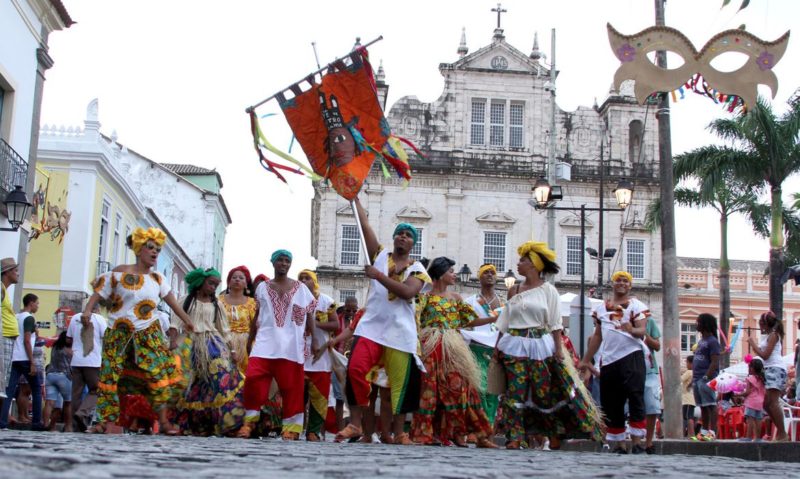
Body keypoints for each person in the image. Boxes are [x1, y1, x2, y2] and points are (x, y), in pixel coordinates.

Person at [80, 227, 195, 435]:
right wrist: (88, 310)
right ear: (139, 249)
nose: (155, 252)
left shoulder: (158, 279)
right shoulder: (118, 273)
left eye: (158, 249)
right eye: (150, 247)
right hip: (117, 332)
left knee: (157, 373)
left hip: (147, 334)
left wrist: (188, 321)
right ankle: (103, 422)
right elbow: (99, 292)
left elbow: (173, 304)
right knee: (109, 377)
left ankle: (164, 422)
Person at [335, 197, 430, 445]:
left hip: (400, 333)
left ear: (413, 243)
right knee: (355, 369)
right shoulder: (379, 254)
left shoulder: (418, 269)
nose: (403, 237)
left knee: (399, 385)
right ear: (394, 237)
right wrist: (354, 197)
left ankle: (400, 433)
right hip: (371, 328)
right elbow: (364, 225)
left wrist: (378, 276)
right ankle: (355, 424)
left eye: (408, 235)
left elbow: (407, 292)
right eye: (399, 233)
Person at [497, 242, 602, 450]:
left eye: (523, 260)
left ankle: (554, 432)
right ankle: (514, 437)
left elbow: (555, 322)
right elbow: (505, 320)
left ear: (534, 265)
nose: (518, 264)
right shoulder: (514, 290)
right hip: (514, 345)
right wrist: (496, 347)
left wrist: (558, 349)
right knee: (514, 391)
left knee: (543, 393)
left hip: (541, 346)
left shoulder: (548, 290)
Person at [411, 257, 497, 448]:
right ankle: (427, 434)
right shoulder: (424, 297)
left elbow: (469, 320)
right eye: (451, 271)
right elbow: (415, 320)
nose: (454, 275)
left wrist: (493, 319)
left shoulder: (456, 298)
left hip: (453, 348)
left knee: (460, 388)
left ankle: (460, 433)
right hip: (431, 347)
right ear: (440, 274)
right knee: (429, 390)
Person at [237, 250, 317, 440]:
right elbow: (258, 314)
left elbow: (309, 314)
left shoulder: (301, 288)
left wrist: (315, 339)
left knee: (292, 387)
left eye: (287, 261)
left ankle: (291, 428)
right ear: (273, 263)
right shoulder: (262, 287)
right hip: (265, 343)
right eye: (280, 260)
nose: (283, 263)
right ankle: (249, 423)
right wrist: (250, 338)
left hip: (291, 345)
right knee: (253, 380)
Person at [170, 267, 246, 436]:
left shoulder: (216, 304)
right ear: (201, 282)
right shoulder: (186, 300)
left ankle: (227, 422)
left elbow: (224, 329)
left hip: (213, 344)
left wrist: (232, 350)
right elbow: (175, 323)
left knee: (221, 379)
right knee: (190, 384)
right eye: (211, 283)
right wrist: (173, 341)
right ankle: (189, 424)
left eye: (216, 285)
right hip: (189, 344)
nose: (213, 287)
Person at [580, 271, 649, 453]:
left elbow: (642, 331)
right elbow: (597, 336)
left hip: (631, 355)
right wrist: (586, 360)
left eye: (626, 281)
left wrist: (631, 329)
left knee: (635, 396)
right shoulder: (601, 309)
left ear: (630, 286)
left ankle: (636, 442)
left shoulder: (637, 306)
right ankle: (620, 444)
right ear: (613, 283)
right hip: (609, 360)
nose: (622, 283)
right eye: (618, 280)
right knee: (612, 402)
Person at [298, 269, 338, 441]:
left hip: (320, 357)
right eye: (301, 278)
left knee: (320, 396)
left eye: (307, 278)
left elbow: (335, 325)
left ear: (314, 282)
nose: (304, 280)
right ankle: (294, 429)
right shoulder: (294, 299)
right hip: (298, 354)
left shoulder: (326, 301)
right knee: (297, 395)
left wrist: (314, 324)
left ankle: (313, 431)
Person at [462, 263, 503, 427]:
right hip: (477, 349)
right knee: (479, 389)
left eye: (492, 272)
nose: (490, 275)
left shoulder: (503, 302)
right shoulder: (470, 302)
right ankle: (479, 427)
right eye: (486, 272)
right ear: (479, 277)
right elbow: (464, 325)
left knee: (493, 390)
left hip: (497, 351)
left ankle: (489, 426)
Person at [0, 293, 43, 429]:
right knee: (36, 389)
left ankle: (2, 422)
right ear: (31, 303)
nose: (38, 306)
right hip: (25, 358)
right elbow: (27, 340)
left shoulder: (16, 316)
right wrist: (32, 362)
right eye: (37, 303)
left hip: (14, 357)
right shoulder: (29, 318)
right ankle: (36, 422)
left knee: (9, 391)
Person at [748, 311, 788, 441]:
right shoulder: (769, 336)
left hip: (776, 368)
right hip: (769, 369)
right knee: (766, 403)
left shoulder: (773, 335)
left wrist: (753, 344)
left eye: (760, 324)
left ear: (764, 324)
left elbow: (765, 355)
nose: (759, 326)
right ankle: (781, 432)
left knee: (773, 402)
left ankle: (782, 433)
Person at [67, 303, 108, 431]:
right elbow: (106, 338)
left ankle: (76, 424)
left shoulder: (74, 318)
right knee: (96, 390)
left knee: (76, 393)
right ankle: (82, 413)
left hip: (76, 361)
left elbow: (68, 339)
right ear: (97, 309)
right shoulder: (99, 319)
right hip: (93, 361)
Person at [219, 266, 257, 373]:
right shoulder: (219, 301)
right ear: (229, 282)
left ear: (246, 284)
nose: (237, 280)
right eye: (234, 277)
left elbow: (256, 326)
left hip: (245, 345)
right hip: (223, 342)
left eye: (241, 278)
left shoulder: (252, 303)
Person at [691, 313, 721, 441]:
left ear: (705, 324)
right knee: (703, 406)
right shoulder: (701, 341)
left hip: (705, 378)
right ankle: (703, 432)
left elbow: (715, 361)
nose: (696, 324)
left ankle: (712, 432)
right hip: (697, 378)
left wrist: (707, 376)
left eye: (698, 322)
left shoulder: (712, 341)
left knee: (711, 404)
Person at [43, 331, 73, 432]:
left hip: (50, 375)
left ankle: (47, 425)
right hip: (64, 376)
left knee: (49, 403)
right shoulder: (69, 350)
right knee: (68, 403)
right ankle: (68, 426)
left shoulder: (55, 347)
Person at [1, 257, 21, 400]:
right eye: (16, 270)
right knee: (1, 379)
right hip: (3, 338)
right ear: (7, 272)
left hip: (7, 338)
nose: (18, 273)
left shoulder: (4, 290)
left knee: (4, 380)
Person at [643, 312, 662, 453]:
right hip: (629, 368)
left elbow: (657, 345)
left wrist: (645, 334)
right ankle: (632, 441)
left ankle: (648, 442)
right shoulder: (622, 320)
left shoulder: (649, 322)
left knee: (652, 406)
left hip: (649, 368)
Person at [735, 357, 766, 442]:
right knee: (758, 419)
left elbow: (747, 392)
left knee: (750, 419)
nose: (748, 369)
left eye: (749, 367)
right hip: (760, 402)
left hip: (751, 402)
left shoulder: (750, 378)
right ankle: (757, 438)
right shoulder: (762, 378)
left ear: (752, 368)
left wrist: (738, 395)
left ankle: (748, 437)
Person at [681, 355, 696, 438]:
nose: (686, 364)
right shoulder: (695, 373)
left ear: (691, 363)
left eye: (687, 362)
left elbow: (680, 379)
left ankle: (691, 434)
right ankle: (691, 434)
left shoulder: (689, 372)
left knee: (688, 417)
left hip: (687, 399)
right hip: (692, 399)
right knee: (690, 416)